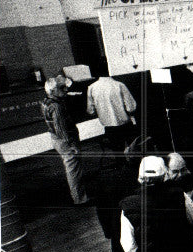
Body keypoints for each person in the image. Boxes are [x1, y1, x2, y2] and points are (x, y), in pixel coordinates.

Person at [40, 75, 90, 204]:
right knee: (74, 170)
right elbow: (61, 128)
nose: (65, 90)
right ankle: (80, 199)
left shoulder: (46, 101)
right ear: (53, 91)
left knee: (73, 168)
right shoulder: (57, 107)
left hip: (55, 138)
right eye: (61, 88)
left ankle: (79, 196)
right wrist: (71, 144)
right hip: (65, 140)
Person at [86, 74, 137, 151]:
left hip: (109, 127)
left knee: (118, 153)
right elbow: (131, 108)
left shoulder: (92, 88)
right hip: (125, 124)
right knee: (134, 150)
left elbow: (90, 111)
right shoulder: (120, 85)